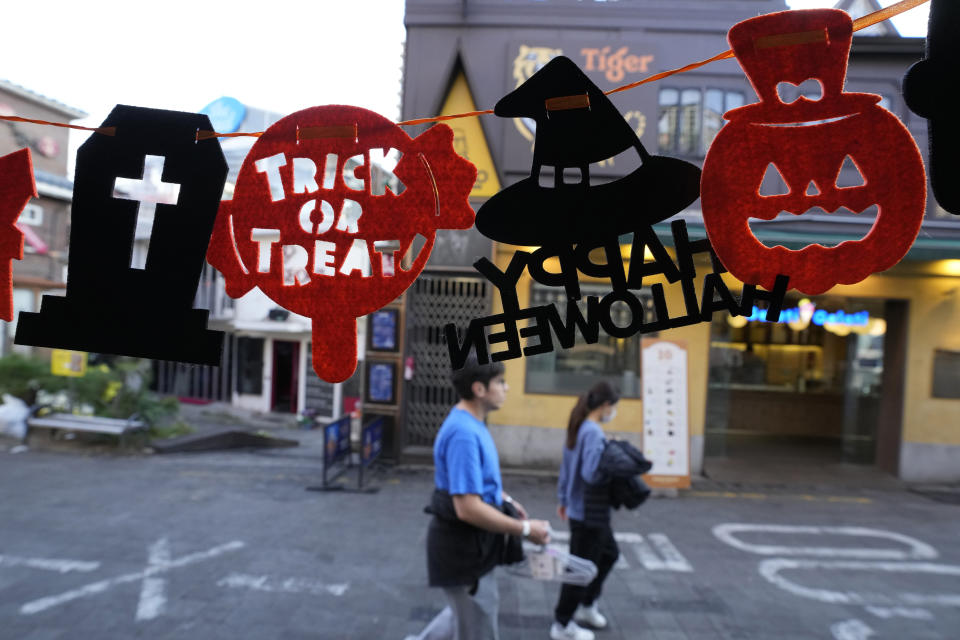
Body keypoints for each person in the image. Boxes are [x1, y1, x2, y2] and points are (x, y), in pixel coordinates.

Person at [407, 355, 551, 640]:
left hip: (472, 546)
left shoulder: (472, 423)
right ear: (479, 389)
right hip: (463, 550)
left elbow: (476, 483)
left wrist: (504, 499)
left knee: (461, 617)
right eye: (500, 382)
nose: (506, 388)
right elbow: (468, 508)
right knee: (478, 625)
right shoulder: (463, 433)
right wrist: (525, 529)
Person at [551, 381, 622, 640]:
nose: (613, 413)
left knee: (609, 554)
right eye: (614, 407)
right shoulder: (592, 431)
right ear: (605, 406)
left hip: (584, 511)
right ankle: (562, 623)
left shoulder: (580, 425)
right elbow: (590, 473)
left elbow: (566, 466)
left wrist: (563, 498)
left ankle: (587, 604)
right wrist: (610, 453)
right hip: (588, 512)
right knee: (579, 570)